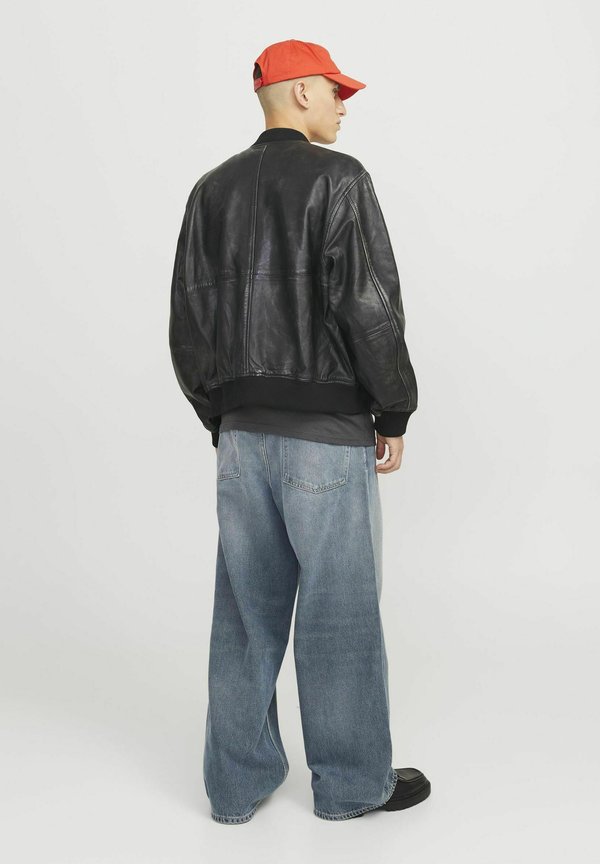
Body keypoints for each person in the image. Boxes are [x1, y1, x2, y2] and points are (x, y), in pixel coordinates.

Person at [169, 38, 431, 823]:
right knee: (339, 614)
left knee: (245, 616)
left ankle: (234, 787)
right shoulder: (338, 178)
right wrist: (393, 409)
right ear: (302, 92)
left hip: (241, 439)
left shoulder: (209, 191)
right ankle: (351, 786)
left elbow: (188, 325)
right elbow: (367, 306)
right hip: (325, 435)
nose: (345, 105)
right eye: (336, 90)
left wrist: (222, 418)